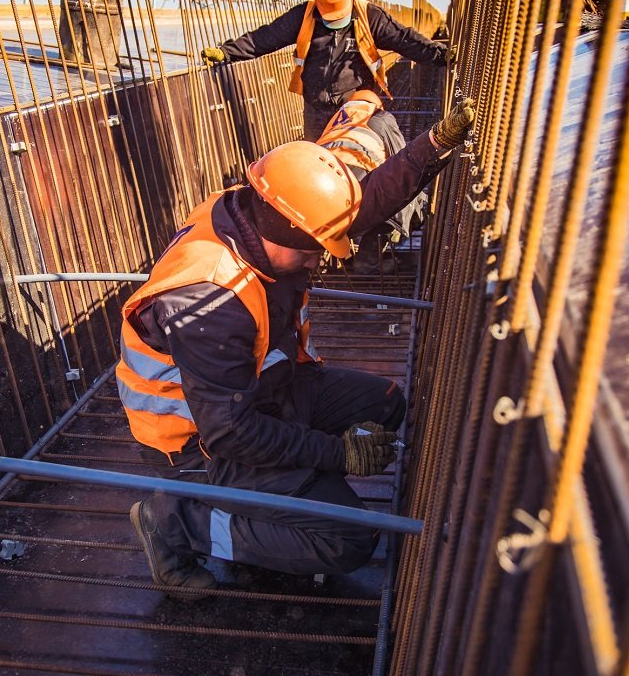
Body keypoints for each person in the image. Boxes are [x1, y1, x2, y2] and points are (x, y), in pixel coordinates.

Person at [118, 97, 477, 597]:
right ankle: (178, 523)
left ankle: (271, 508)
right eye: (315, 250)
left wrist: (433, 146)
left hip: (268, 390)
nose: (321, 262)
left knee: (386, 403)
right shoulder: (210, 300)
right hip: (198, 443)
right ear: (288, 232)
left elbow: (357, 206)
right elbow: (231, 434)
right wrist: (340, 455)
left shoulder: (258, 211)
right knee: (347, 540)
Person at [201, 0, 450, 141]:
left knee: (356, 164)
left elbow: (405, 39)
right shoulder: (304, 15)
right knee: (318, 164)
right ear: (317, 1)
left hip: (356, 108)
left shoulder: (368, 16)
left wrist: (441, 55)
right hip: (316, 108)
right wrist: (226, 52)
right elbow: (264, 38)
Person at [315, 89, 424, 273]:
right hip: (353, 184)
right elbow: (403, 160)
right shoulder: (379, 116)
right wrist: (418, 209)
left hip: (319, 184)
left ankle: (339, 256)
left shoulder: (337, 119)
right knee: (398, 188)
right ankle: (368, 261)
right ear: (377, 105)